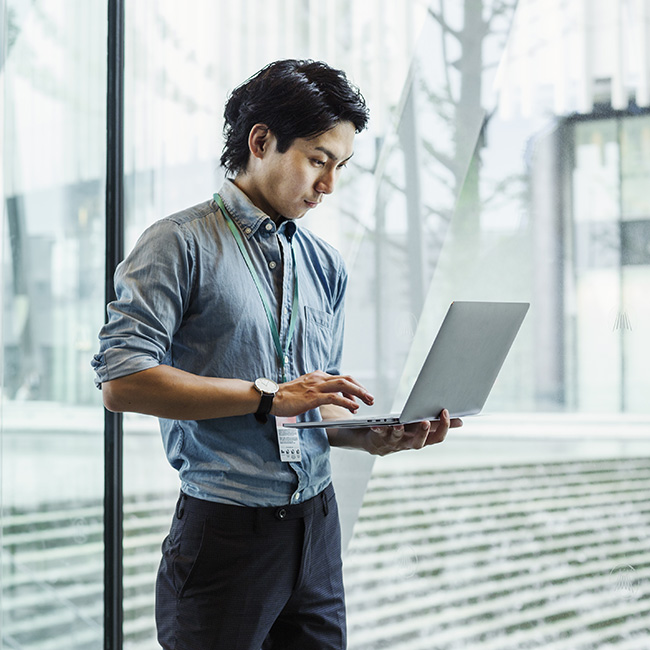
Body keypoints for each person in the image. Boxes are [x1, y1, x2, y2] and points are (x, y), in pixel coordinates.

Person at [92, 59, 462, 650]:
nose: (329, 186)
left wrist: (372, 434)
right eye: (319, 160)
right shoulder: (177, 243)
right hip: (225, 532)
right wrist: (268, 394)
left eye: (340, 167)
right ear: (260, 141)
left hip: (317, 524)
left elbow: (313, 410)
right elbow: (123, 381)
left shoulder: (325, 265)